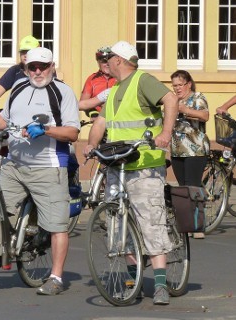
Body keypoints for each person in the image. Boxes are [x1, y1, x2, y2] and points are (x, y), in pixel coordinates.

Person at [0, 47, 79, 295]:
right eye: (32, 66)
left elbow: (72, 132)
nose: (37, 71)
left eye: (42, 67)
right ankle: (2, 253)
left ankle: (55, 277)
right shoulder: (19, 89)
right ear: (25, 68)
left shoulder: (62, 92)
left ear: (52, 66)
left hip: (48, 167)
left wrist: (45, 130)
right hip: (14, 164)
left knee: (57, 225)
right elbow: (4, 119)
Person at [84, 40, 178, 305]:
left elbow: (170, 99)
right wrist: (91, 144)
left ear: (120, 60)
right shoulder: (114, 90)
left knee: (151, 222)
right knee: (118, 225)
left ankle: (160, 283)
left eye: (108, 58)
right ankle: (132, 279)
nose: (105, 63)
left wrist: (166, 134)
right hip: (118, 165)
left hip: (145, 165)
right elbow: (101, 121)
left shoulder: (142, 80)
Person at [170, 70, 209, 239]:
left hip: (195, 149)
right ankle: (187, 224)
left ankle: (198, 226)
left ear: (188, 84)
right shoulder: (172, 100)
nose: (177, 88)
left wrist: (185, 110)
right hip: (177, 150)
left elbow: (204, 115)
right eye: (174, 85)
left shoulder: (197, 97)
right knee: (183, 188)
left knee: (192, 186)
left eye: (180, 85)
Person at [0, 35, 40, 113]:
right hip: (17, 115)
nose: (25, 55)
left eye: (29, 52)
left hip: (38, 115)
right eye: (23, 52)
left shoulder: (45, 72)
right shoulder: (15, 70)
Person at [79, 47, 117, 116]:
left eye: (110, 61)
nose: (107, 64)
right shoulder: (92, 79)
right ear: (98, 62)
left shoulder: (120, 77)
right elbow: (82, 104)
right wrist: (93, 112)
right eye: (104, 61)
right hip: (99, 121)